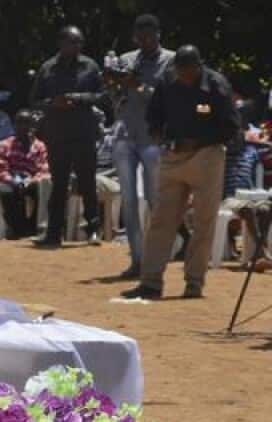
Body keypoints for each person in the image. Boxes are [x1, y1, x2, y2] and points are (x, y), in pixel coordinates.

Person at [122, 46, 239, 300]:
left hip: (206, 155)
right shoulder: (168, 81)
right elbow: (154, 113)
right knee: (161, 219)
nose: (183, 75)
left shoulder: (216, 85)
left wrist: (201, 141)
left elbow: (231, 126)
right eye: (179, 70)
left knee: (203, 221)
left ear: (199, 67)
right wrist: (157, 134)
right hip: (173, 156)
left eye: (187, 70)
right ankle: (150, 282)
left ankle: (194, 282)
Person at [111, 14, 175, 278]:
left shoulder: (170, 61)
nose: (146, 41)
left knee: (154, 200)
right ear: (135, 37)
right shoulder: (126, 60)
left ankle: (155, 258)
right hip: (125, 134)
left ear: (159, 34)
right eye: (141, 37)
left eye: (151, 36)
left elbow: (167, 100)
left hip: (153, 139)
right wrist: (114, 85)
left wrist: (138, 87)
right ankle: (136, 260)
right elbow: (114, 95)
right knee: (128, 201)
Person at [30, 26, 104, 247]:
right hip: (57, 134)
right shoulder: (48, 68)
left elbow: (102, 96)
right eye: (73, 42)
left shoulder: (89, 66)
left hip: (83, 132)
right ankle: (54, 232)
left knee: (87, 182)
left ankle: (92, 229)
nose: (78, 46)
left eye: (80, 42)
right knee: (59, 184)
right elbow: (34, 99)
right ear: (61, 43)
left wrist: (79, 98)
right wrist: (53, 103)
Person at [0, 110, 50, 239]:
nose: (23, 127)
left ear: (32, 126)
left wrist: (31, 181)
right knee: (6, 191)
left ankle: (33, 226)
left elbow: (44, 170)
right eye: (19, 123)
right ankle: (16, 228)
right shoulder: (6, 145)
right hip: (12, 180)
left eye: (27, 123)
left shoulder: (40, 147)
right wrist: (14, 182)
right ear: (15, 125)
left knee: (44, 189)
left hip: (32, 181)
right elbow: (2, 170)